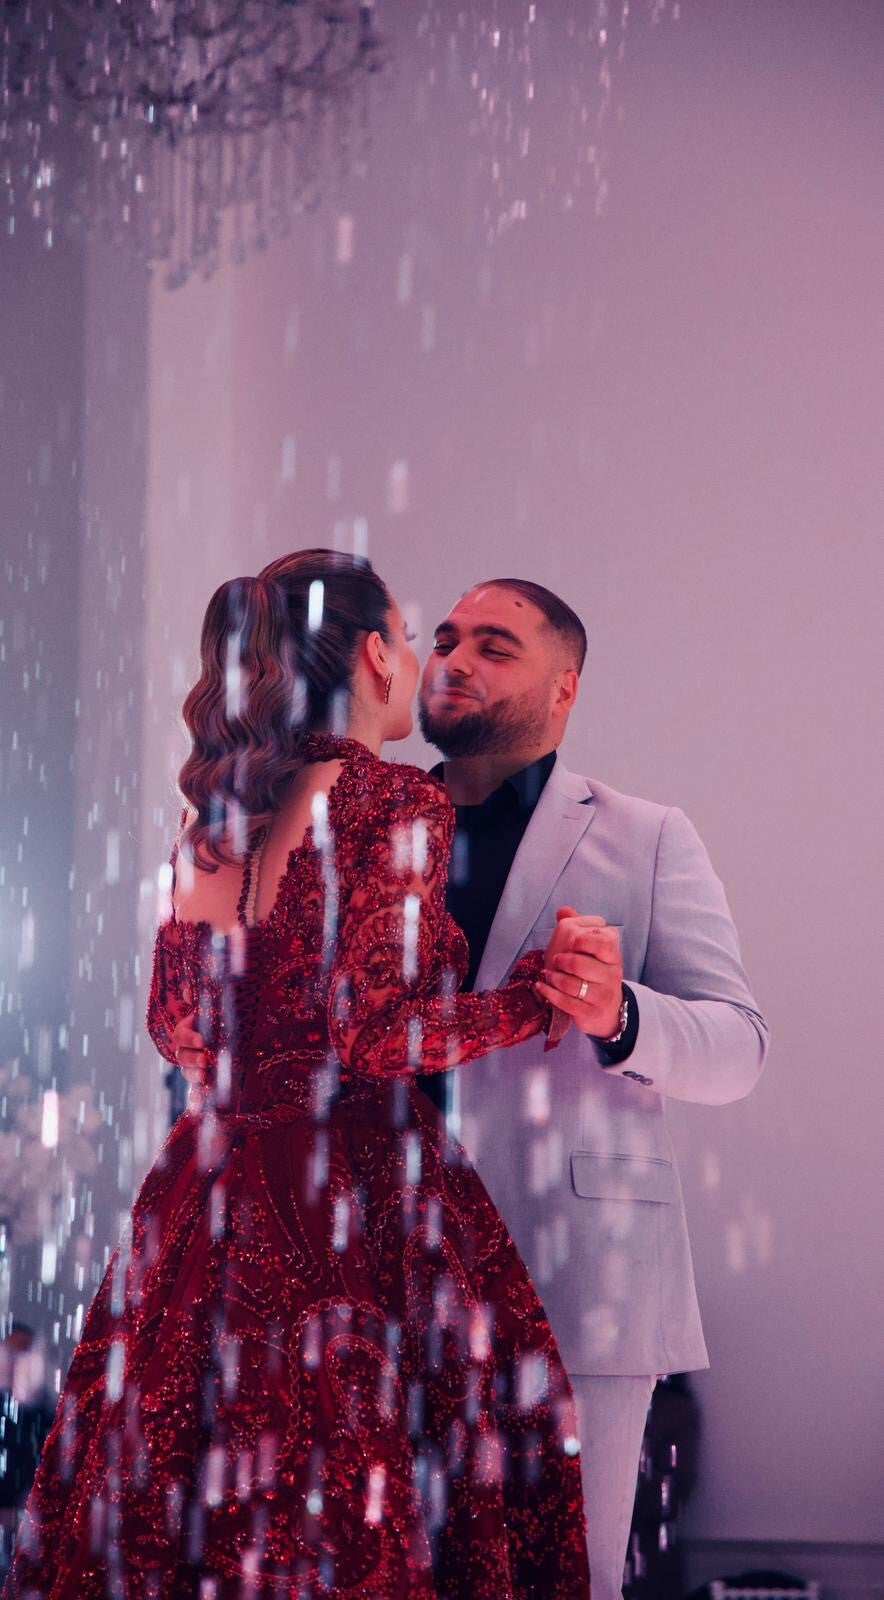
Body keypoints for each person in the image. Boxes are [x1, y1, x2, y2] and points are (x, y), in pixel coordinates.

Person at [4, 551, 590, 1600]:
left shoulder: (212, 819)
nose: (421, 660)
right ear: (374, 656)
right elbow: (376, 1036)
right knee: (385, 1472)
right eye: (409, 636)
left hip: (208, 1185)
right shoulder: (390, 801)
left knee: (186, 1469)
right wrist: (529, 1000)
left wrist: (264, 1063)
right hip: (351, 1189)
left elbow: (176, 1028)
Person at [173, 574, 770, 1600]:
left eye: (495, 647)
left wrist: (619, 1014)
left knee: (562, 1577)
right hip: (363, 1274)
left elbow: (738, 1046)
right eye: (443, 639)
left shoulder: (647, 835)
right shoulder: (345, 809)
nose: (453, 661)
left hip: (578, 1277)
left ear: (565, 687)